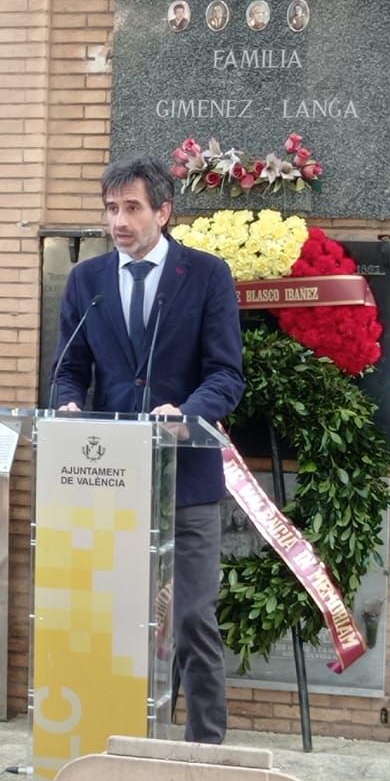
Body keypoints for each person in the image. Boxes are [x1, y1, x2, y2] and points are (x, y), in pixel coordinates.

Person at [52, 156, 245, 744]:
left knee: (191, 620)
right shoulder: (86, 281)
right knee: (113, 619)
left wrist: (186, 412)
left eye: (132, 208)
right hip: (111, 480)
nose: (119, 221)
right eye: (111, 209)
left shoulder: (206, 275)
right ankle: (111, 739)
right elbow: (69, 369)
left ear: (163, 212)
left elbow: (226, 374)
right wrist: (67, 405)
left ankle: (205, 748)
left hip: (187, 480)